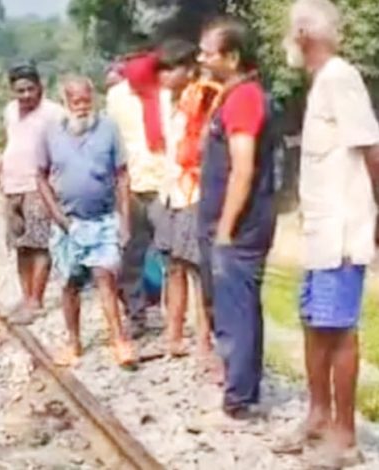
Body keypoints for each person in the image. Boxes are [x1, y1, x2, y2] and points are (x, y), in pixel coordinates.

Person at [272, 1, 379, 466]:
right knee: (314, 323)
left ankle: (345, 438)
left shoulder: (340, 78)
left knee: (338, 331)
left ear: (302, 32)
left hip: (341, 234)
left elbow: (373, 151)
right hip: (319, 237)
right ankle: (318, 417)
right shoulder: (321, 84)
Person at [197, 16, 277, 424]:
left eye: (208, 53)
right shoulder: (233, 95)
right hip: (231, 224)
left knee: (236, 308)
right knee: (233, 306)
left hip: (239, 229)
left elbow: (242, 169)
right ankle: (241, 387)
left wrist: (225, 230)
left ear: (232, 57)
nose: (201, 59)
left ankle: (240, 399)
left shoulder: (244, 98)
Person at [37, 76, 136, 368]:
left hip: (103, 220)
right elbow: (40, 177)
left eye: (86, 100)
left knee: (106, 277)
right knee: (70, 284)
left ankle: (119, 341)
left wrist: (125, 221)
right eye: (75, 101)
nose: (81, 107)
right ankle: (73, 343)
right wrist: (57, 215)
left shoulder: (108, 128)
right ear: (65, 102)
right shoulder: (51, 132)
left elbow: (122, 175)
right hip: (68, 223)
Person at [155, 39, 219, 360]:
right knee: (173, 266)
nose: (164, 75)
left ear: (189, 69)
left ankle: (204, 339)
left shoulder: (204, 97)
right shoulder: (169, 101)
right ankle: (174, 335)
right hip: (171, 192)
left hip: (194, 191)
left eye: (171, 69)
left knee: (196, 267)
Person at [106, 47, 173, 338]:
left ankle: (173, 317)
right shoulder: (117, 96)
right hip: (132, 185)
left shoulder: (167, 92)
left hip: (166, 184)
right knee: (132, 255)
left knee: (172, 256)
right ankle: (137, 313)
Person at [0, 61, 65, 322]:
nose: (26, 95)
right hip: (11, 185)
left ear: (40, 87)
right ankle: (26, 297)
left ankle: (36, 300)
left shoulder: (54, 113)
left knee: (39, 244)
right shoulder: (10, 111)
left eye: (30, 89)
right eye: (20, 91)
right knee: (20, 245)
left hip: (39, 186)